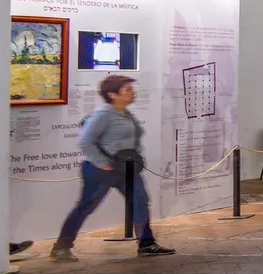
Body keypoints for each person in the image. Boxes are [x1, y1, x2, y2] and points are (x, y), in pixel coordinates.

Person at [50, 74, 174, 260]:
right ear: (112, 94)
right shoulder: (103, 115)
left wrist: (134, 156)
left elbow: (131, 139)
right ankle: (62, 247)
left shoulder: (126, 113)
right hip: (101, 171)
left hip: (126, 169)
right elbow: (85, 141)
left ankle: (147, 243)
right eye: (127, 90)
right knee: (86, 206)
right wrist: (102, 163)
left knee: (140, 201)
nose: (132, 93)